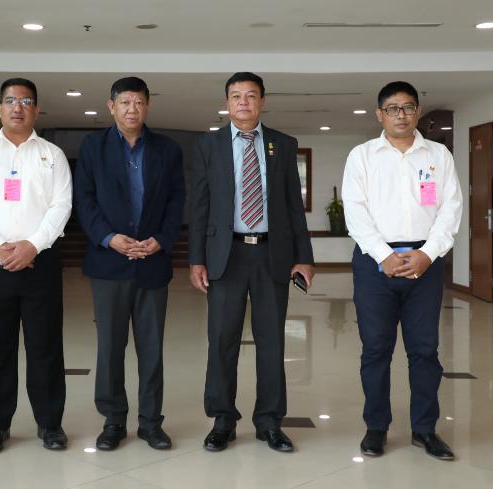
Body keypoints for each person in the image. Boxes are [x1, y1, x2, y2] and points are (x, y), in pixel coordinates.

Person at [189, 72, 315, 453]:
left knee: (271, 340)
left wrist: (304, 258)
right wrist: (196, 259)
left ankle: (270, 421)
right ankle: (222, 419)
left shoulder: (283, 144)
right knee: (221, 340)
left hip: (271, 253)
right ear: (226, 102)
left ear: (262, 101)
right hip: (225, 255)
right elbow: (199, 206)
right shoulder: (208, 145)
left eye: (251, 95)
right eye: (236, 96)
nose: (243, 102)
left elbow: (293, 205)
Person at [341, 81, 462, 460]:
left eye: (408, 107)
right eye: (392, 108)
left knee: (424, 351)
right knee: (376, 350)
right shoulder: (362, 156)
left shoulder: (438, 155)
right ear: (380, 114)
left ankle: (425, 429)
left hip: (425, 263)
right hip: (375, 265)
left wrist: (428, 254)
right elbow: (354, 211)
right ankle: (376, 427)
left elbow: (451, 208)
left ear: (417, 112)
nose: (401, 115)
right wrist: (383, 255)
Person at [0, 78, 72, 454]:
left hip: (42, 262)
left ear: (36, 110)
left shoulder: (52, 155)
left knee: (45, 347)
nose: (17, 108)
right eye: (10, 101)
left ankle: (50, 424)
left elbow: (61, 205)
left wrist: (33, 245)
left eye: (25, 101)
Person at [74, 76, 185, 451]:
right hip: (109, 263)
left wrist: (161, 240)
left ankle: (151, 422)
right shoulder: (93, 147)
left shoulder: (167, 149)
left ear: (147, 106)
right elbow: (84, 200)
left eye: (138, 102)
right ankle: (113, 421)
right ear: (111, 107)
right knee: (110, 348)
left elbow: (176, 200)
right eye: (124, 102)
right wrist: (109, 238)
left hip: (152, 262)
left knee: (151, 349)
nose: (132, 109)